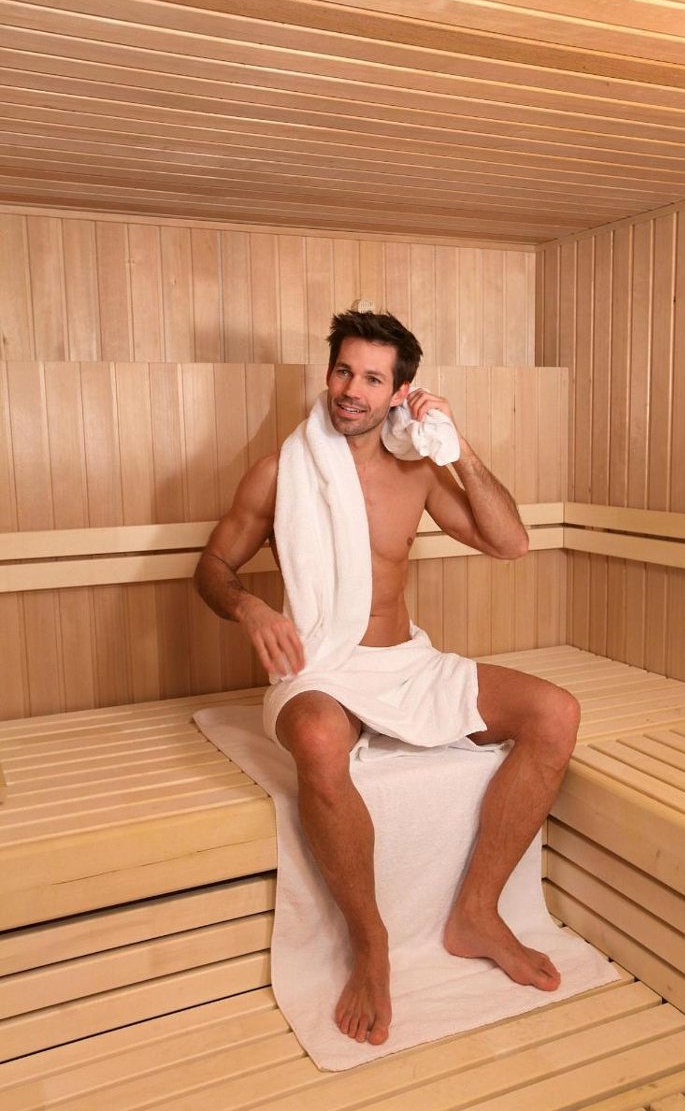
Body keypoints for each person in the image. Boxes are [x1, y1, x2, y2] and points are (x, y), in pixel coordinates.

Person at [194, 309, 580, 1048]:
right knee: (316, 738)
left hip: (405, 661)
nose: (352, 390)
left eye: (373, 379)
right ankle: (370, 943)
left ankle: (478, 912)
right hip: (321, 665)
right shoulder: (281, 473)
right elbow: (212, 565)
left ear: (400, 392)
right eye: (344, 371)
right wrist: (249, 607)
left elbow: (510, 542)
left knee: (555, 713)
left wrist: (457, 447)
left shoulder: (418, 470)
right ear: (329, 373)